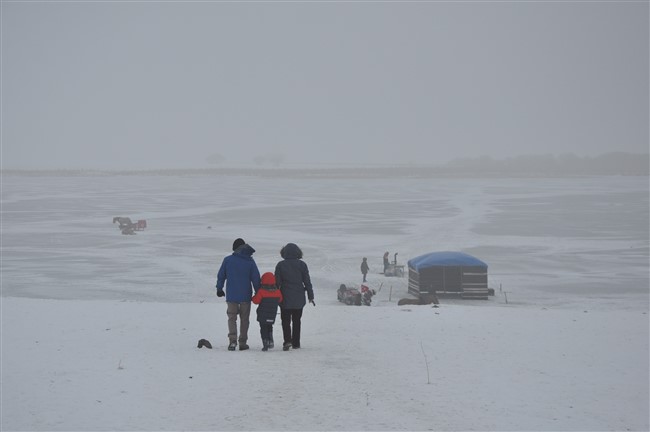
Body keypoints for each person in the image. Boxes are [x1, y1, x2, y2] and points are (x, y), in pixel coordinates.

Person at [215, 238, 261, 351]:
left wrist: (219, 288)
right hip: (245, 295)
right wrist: (259, 293)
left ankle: (232, 341)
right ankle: (243, 342)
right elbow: (256, 278)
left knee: (232, 318)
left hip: (232, 295)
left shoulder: (228, 260)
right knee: (244, 319)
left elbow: (221, 275)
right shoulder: (250, 261)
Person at [274, 243, 314, 351]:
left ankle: (287, 341)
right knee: (297, 320)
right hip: (299, 298)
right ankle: (296, 343)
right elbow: (307, 282)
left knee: (285, 321)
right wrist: (311, 296)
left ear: (284, 253)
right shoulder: (302, 265)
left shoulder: (280, 265)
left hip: (285, 298)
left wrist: (273, 296)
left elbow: (277, 283)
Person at [252, 272, 283, 351]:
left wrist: (253, 297)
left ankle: (265, 342)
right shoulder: (277, 291)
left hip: (262, 314)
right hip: (272, 314)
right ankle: (270, 340)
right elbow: (280, 299)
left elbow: (256, 301)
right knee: (269, 326)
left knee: (263, 328)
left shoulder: (261, 291)